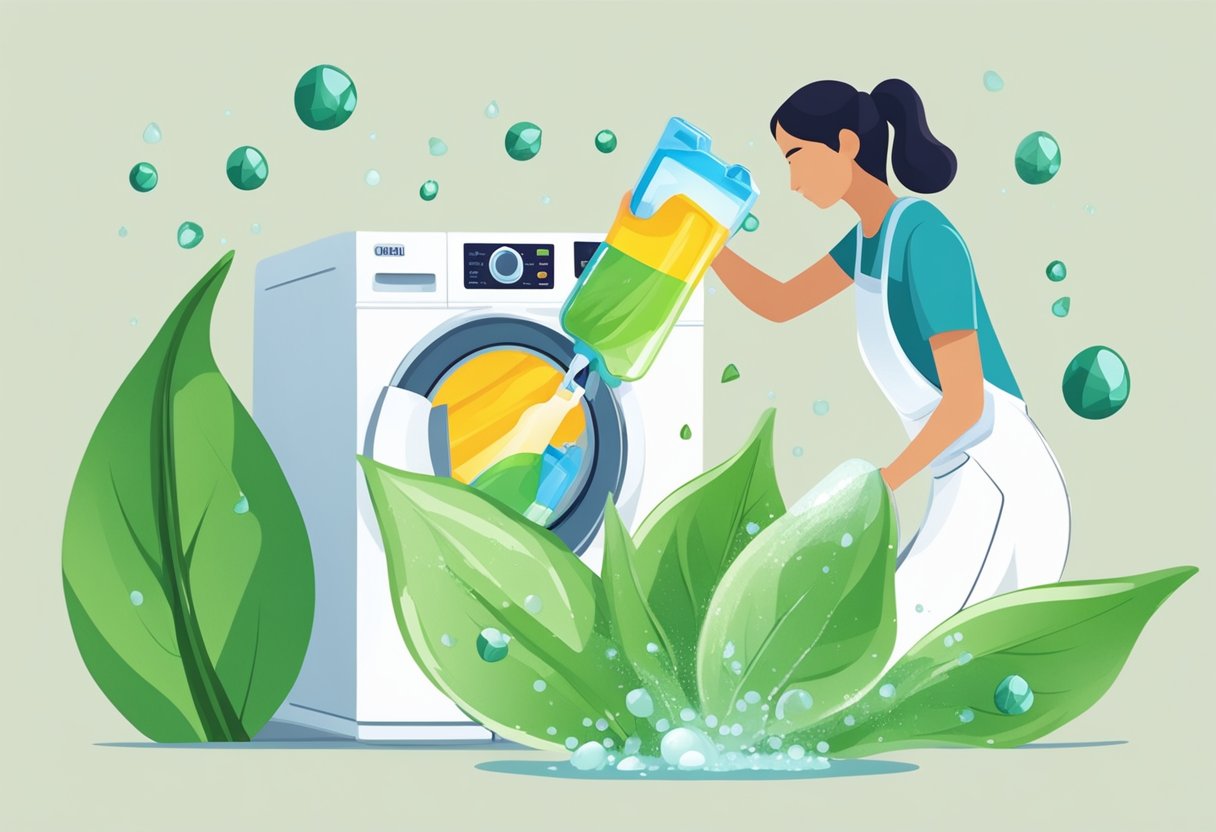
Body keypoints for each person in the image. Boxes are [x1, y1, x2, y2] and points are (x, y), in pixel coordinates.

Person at [711, 79, 1071, 669]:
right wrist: (700, 237)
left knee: (891, 653)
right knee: (896, 653)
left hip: (1002, 474)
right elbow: (778, 303)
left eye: (796, 158)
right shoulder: (866, 240)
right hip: (957, 470)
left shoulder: (926, 239)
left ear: (846, 144)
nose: (794, 183)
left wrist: (882, 483)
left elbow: (966, 404)